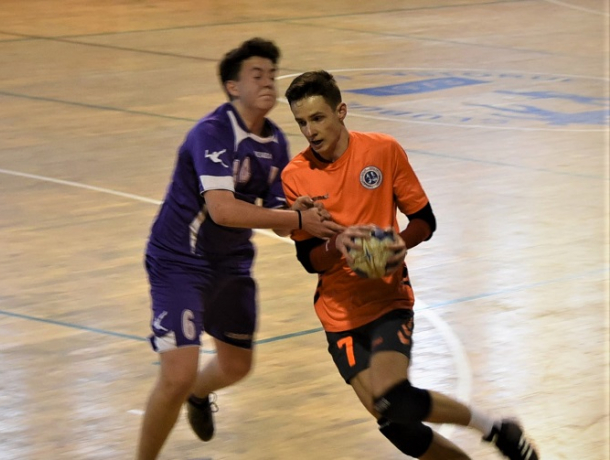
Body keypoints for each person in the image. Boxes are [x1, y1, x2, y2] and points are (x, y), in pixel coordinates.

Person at [280, 70, 539, 460]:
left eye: (318, 118)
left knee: (395, 397)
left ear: (341, 111)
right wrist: (337, 244)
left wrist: (399, 244)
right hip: (339, 314)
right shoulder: (295, 175)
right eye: (301, 122)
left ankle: (495, 429)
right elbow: (309, 259)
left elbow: (424, 220)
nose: (310, 131)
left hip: (388, 300)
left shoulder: (383, 150)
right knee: (394, 423)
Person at [135, 41, 343, 460]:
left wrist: (301, 211)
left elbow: (279, 218)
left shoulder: (276, 141)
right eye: (257, 75)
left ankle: (198, 394)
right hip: (180, 261)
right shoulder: (212, 132)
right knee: (176, 375)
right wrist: (296, 219)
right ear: (233, 87)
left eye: (272, 74)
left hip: (231, 264)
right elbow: (223, 210)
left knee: (236, 366)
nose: (268, 82)